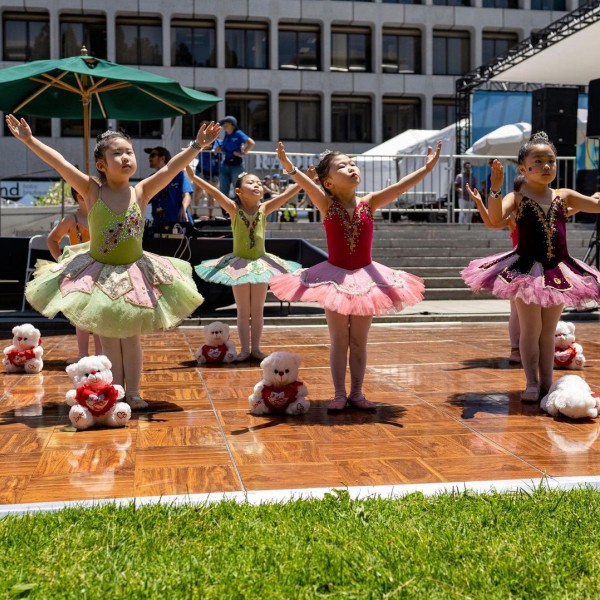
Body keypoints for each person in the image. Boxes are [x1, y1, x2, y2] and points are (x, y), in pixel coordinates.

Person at [7, 113, 220, 408]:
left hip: (135, 274)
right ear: (101, 165)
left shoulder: (141, 191)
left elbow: (172, 168)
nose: (125, 157)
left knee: (131, 338)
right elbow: (61, 164)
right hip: (101, 276)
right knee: (108, 339)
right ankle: (115, 392)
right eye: (116, 153)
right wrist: (30, 140)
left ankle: (133, 391)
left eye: (128, 152)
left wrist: (196, 145)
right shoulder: (92, 191)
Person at [271, 141, 442, 411]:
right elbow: (306, 185)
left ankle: (357, 392)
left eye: (352, 163)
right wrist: (289, 167)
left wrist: (427, 168)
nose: (351, 167)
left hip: (366, 281)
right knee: (339, 339)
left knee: (358, 341)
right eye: (342, 166)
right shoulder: (326, 204)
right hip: (334, 281)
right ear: (328, 183)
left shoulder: (370, 202)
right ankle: (339, 393)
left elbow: (400, 188)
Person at [462, 132, 600, 402]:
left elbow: (596, 205)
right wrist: (495, 188)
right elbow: (494, 218)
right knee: (530, 329)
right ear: (523, 168)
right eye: (539, 161)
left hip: (559, 270)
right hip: (525, 271)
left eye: (551, 160)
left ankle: (547, 382)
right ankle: (531, 383)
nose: (547, 166)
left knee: (548, 332)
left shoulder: (564, 195)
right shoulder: (517, 197)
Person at [186, 166, 302, 362]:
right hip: (238, 266)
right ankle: (245, 350)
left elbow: (286, 195)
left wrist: (304, 180)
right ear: (238, 191)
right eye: (251, 182)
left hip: (260, 265)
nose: (256, 184)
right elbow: (214, 192)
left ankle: (256, 348)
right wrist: (194, 177)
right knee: (243, 310)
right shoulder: (233, 209)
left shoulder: (264, 209)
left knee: (257, 310)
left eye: (258, 182)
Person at [466, 176, 525, 366]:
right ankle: (516, 348)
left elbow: (568, 209)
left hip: (542, 263)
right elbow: (491, 223)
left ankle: (534, 346)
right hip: (518, 263)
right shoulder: (512, 215)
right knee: (516, 309)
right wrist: (480, 203)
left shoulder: (547, 206)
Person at [46, 188, 102, 364]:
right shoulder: (72, 219)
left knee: (100, 312)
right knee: (82, 313)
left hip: (101, 269)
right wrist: (61, 261)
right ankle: (83, 354)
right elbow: (52, 239)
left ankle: (101, 354)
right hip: (79, 272)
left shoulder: (102, 216)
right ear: (80, 196)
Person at [144, 146, 194, 228]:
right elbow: (144, 199)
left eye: (152, 155)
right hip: (159, 226)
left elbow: (186, 195)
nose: (149, 158)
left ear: (162, 158)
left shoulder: (178, 175)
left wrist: (183, 208)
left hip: (179, 224)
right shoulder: (151, 179)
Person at [214, 116, 255, 209]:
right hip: (225, 165)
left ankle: (239, 211)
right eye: (223, 124)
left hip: (236, 165)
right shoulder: (226, 136)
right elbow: (225, 148)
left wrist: (243, 153)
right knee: (223, 189)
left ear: (232, 124)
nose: (223, 126)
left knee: (238, 189)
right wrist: (219, 148)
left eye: (226, 123)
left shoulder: (238, 133)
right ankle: (226, 212)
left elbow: (251, 142)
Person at [193, 133, 220, 220]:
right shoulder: (201, 141)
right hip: (201, 170)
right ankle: (194, 213)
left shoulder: (219, 142)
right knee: (197, 192)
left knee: (211, 194)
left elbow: (226, 147)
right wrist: (202, 146)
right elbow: (192, 145)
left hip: (214, 172)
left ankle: (211, 216)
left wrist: (220, 149)